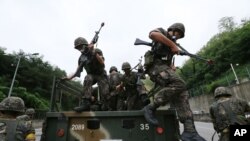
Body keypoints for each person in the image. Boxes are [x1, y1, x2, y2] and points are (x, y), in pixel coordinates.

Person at [142, 23, 206, 141]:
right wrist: (172, 45)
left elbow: (166, 60)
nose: (178, 36)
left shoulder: (171, 45)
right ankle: (151, 107)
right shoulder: (162, 32)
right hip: (155, 67)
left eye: (181, 35)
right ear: (173, 30)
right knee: (179, 84)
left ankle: (189, 131)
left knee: (182, 92)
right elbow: (152, 34)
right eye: (178, 33)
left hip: (163, 68)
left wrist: (171, 66)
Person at [62, 37, 110, 112]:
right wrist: (68, 78)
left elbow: (102, 62)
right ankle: (86, 104)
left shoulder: (96, 51)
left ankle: (105, 106)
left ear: (85, 45)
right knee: (88, 78)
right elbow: (77, 71)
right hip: (91, 75)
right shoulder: (81, 58)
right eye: (78, 48)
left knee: (105, 93)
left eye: (81, 46)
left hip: (101, 75)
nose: (79, 49)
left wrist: (93, 51)